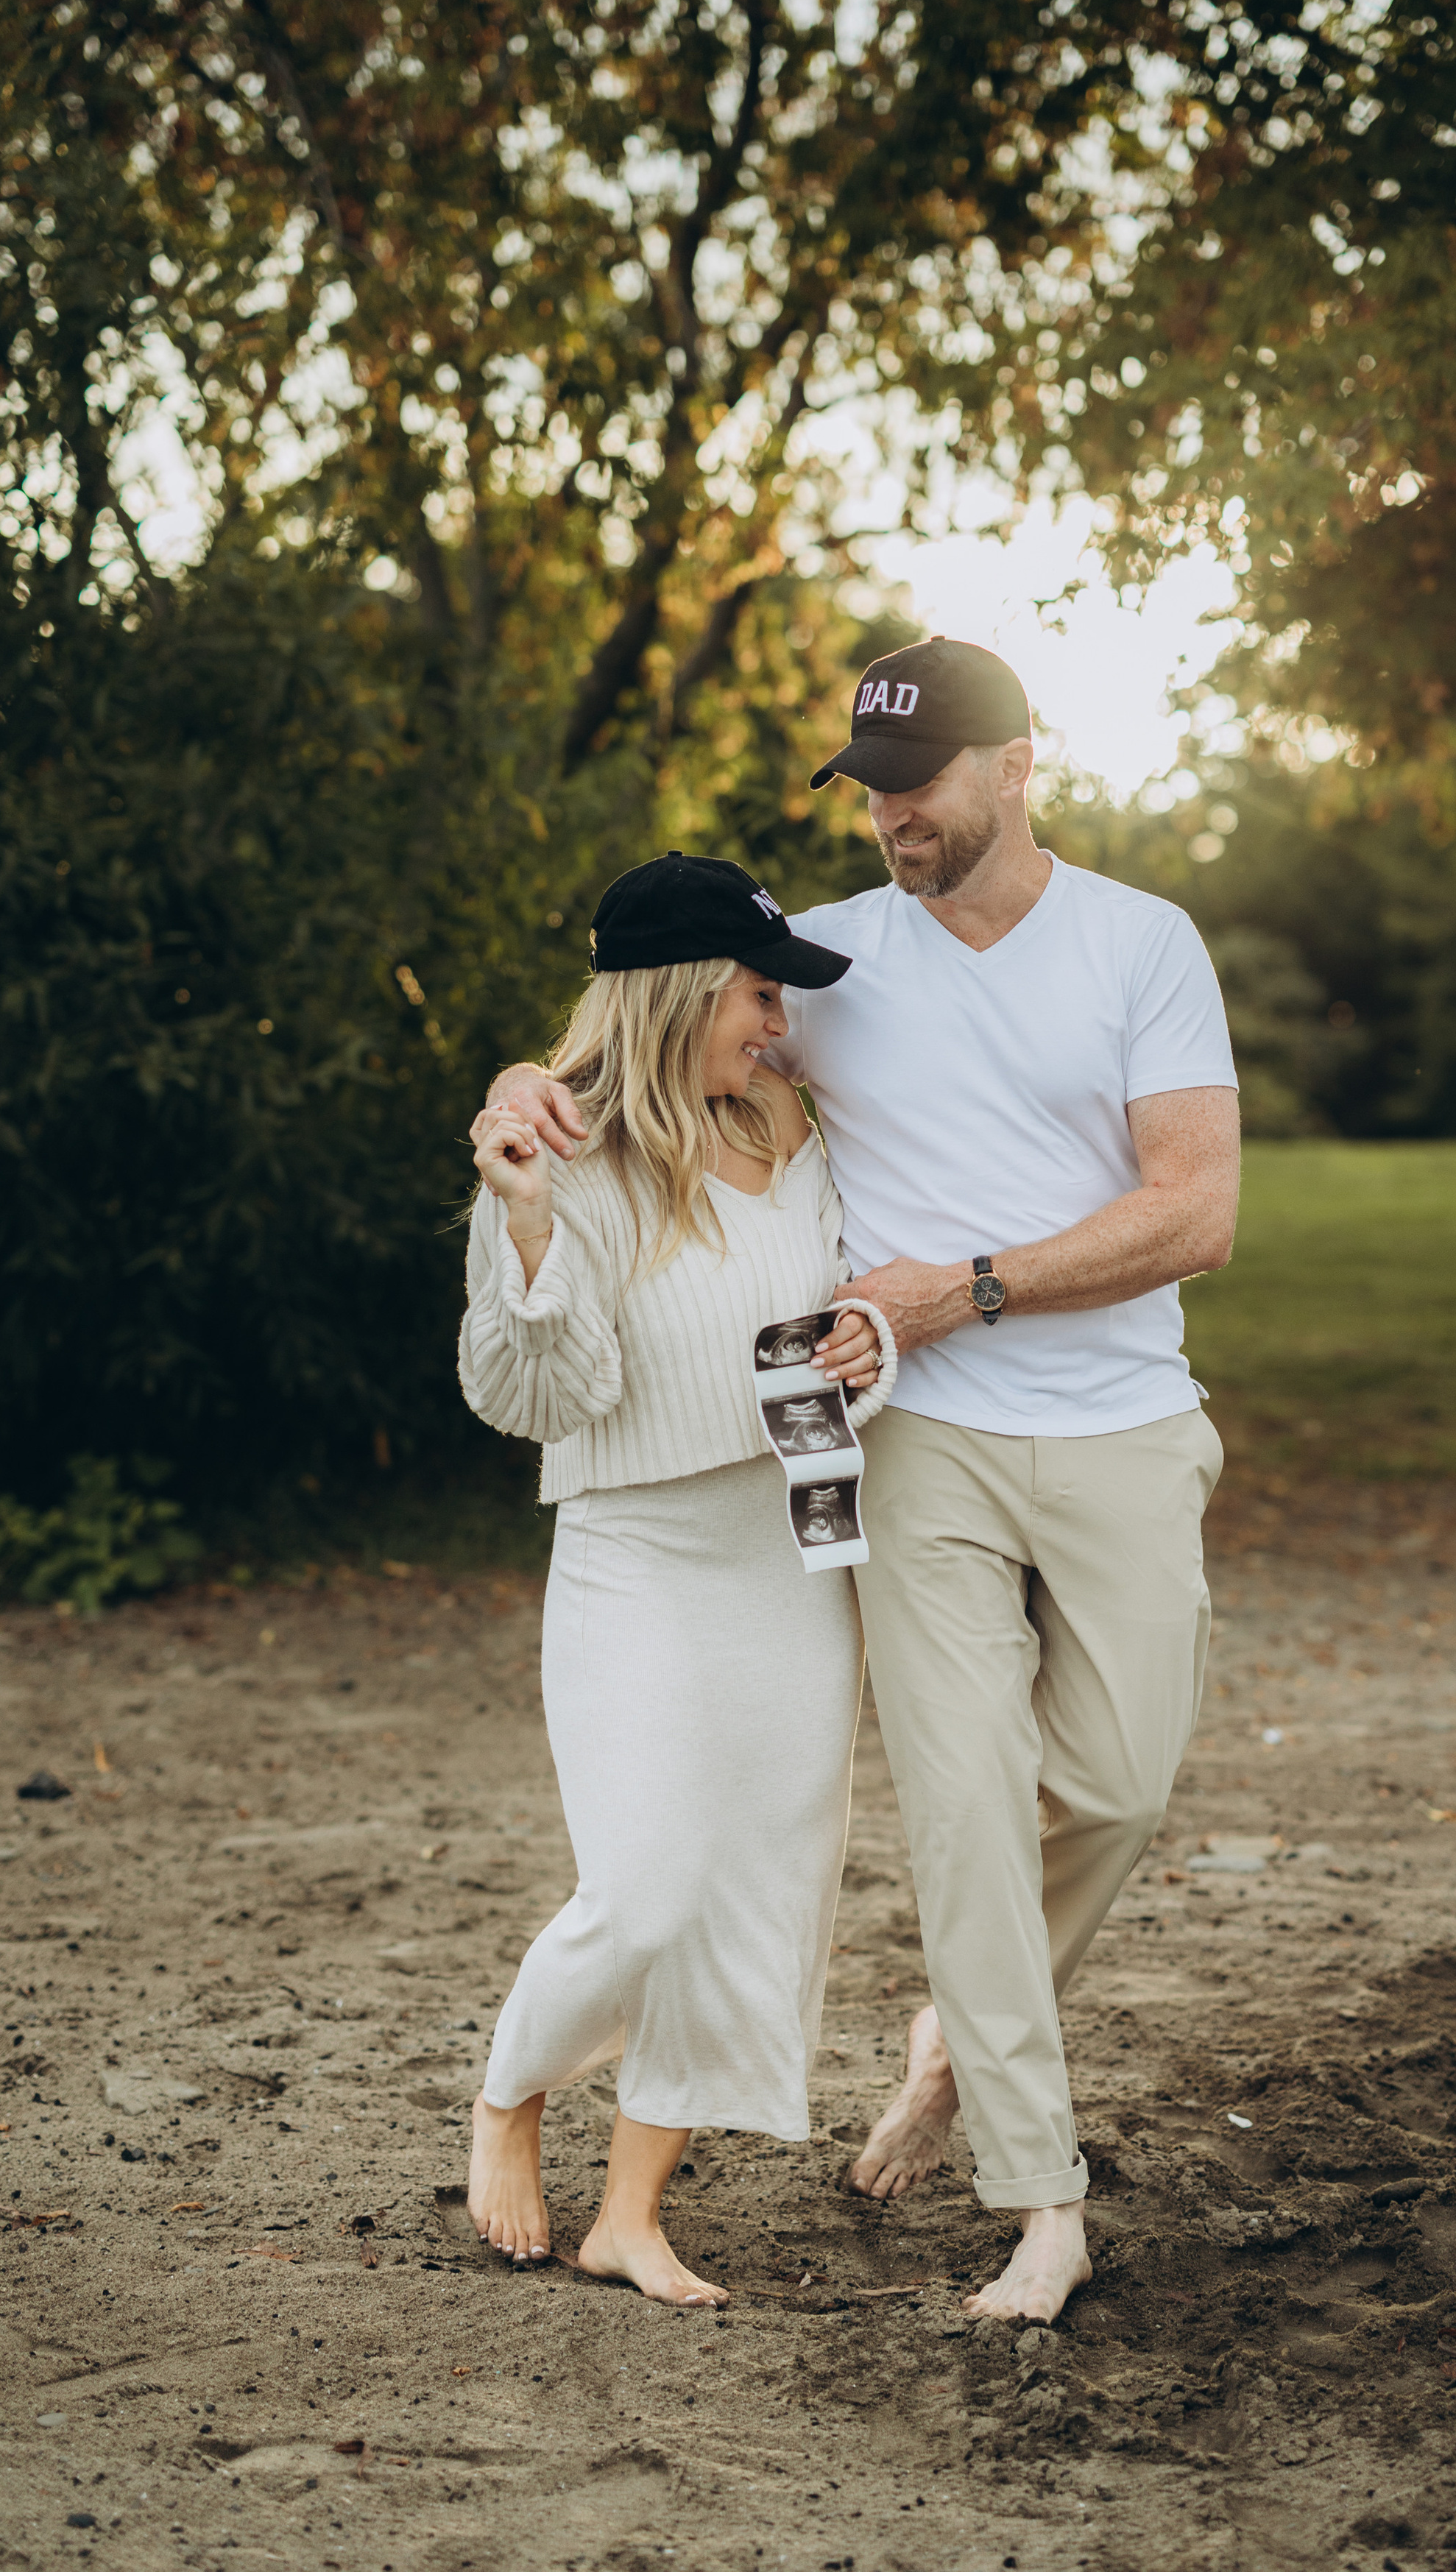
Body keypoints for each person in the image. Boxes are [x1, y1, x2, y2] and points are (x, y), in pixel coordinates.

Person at [487, 635, 1240, 2325]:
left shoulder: (1140, 944)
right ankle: (1039, 2202)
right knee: (964, 1815)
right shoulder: (822, 967)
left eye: (919, 784)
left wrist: (959, 1289)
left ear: (1016, 766)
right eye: (869, 789)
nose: (892, 816)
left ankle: (958, 2030)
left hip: (1121, 1420)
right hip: (916, 1445)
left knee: (1117, 1789)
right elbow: (643, 1050)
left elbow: (1194, 1211)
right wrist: (518, 1091)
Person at [458, 850, 894, 2308]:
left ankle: (630, 2216)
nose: (776, 1024)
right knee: (646, 1891)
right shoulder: (553, 1153)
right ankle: (510, 2097)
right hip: (637, 1553)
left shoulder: (788, 1121)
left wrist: (870, 1350)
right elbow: (537, 1398)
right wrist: (529, 1226)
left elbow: (850, 1316)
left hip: (791, 1551)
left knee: (757, 1886)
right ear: (685, 991)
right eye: (758, 995)